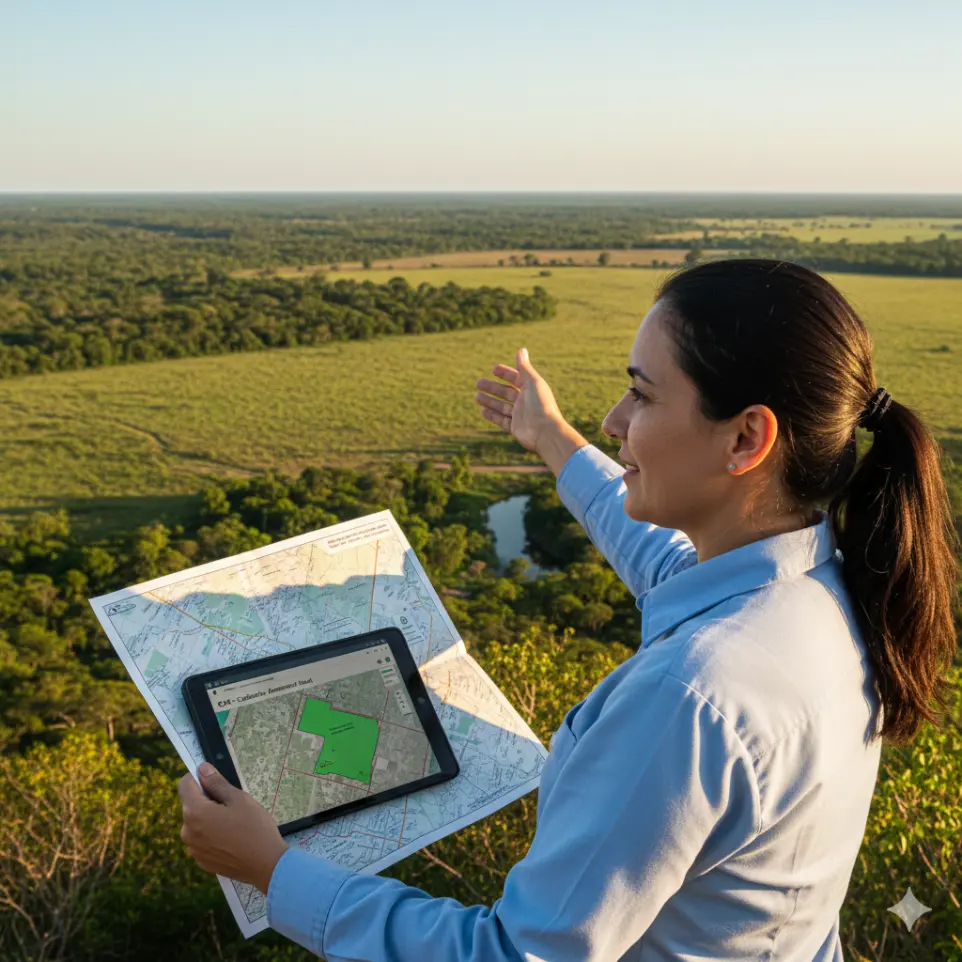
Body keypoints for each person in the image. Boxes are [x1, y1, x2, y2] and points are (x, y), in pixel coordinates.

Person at [178, 258, 960, 960]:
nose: (616, 420)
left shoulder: (690, 697)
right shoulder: (819, 586)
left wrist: (275, 873)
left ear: (746, 438)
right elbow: (661, 562)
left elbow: (517, 954)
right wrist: (550, 436)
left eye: (643, 395)